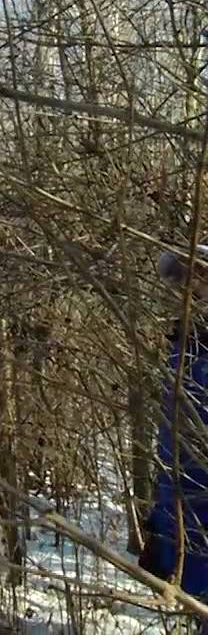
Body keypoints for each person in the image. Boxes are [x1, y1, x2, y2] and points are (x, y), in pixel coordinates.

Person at [141, 245, 208, 597]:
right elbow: (172, 446)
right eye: (183, 281)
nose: (191, 291)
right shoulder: (182, 351)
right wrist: (162, 525)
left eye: (200, 278)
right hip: (186, 525)